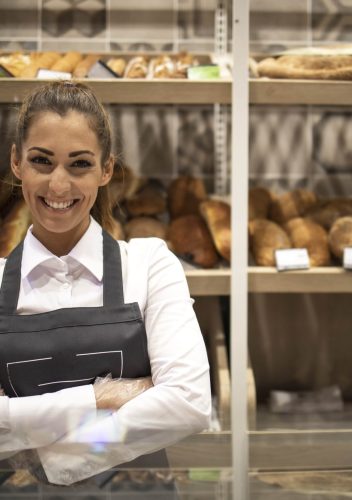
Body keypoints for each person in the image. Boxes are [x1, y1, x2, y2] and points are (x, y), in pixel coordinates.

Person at [0, 81, 211, 486]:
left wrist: (56, 458)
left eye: (79, 164)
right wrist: (97, 398)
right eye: (41, 161)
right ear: (16, 163)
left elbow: (189, 402)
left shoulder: (150, 265)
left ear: (107, 169)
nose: (58, 185)